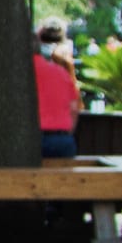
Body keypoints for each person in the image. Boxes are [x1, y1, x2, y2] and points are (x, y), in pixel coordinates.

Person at [34, 18, 83, 159]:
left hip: (35, 136)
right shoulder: (64, 70)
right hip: (61, 137)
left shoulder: (27, 70)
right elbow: (74, 108)